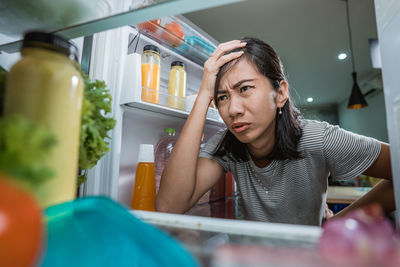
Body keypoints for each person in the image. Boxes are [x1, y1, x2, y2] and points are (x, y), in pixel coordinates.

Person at [156, 37, 395, 226]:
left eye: (245, 88)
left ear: (280, 93)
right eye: (222, 97)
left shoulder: (318, 138)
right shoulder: (226, 146)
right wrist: (204, 96)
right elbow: (169, 206)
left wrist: (339, 224)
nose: (233, 109)